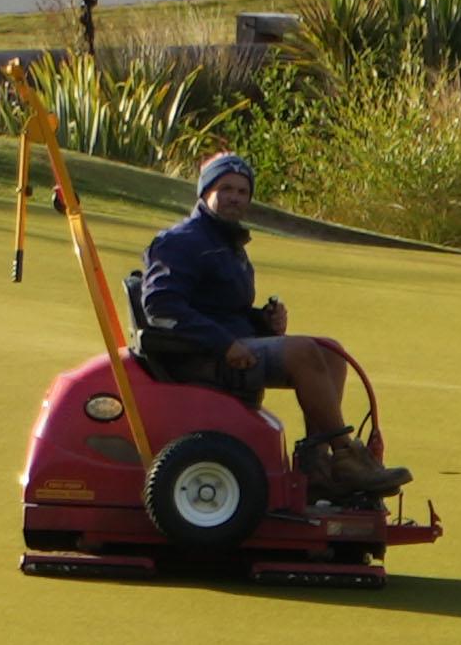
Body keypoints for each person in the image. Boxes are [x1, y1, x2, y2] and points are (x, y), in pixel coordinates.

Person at [124, 150, 382, 495]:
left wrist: (262, 321)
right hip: (195, 358)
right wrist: (225, 344)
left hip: (225, 348)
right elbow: (161, 305)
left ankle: (319, 465)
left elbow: (221, 309)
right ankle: (346, 456)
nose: (234, 198)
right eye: (226, 189)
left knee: (329, 350)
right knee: (304, 351)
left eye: (242, 192)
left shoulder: (226, 243)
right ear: (205, 192)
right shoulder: (179, 242)